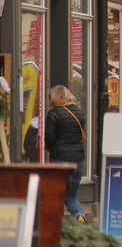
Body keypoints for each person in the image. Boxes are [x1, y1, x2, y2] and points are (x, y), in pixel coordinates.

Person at [45, 86, 87, 221]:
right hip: (77, 160)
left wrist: (51, 148)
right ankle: (80, 217)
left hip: (60, 160)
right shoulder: (79, 112)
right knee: (71, 196)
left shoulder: (53, 113)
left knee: (56, 195)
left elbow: (50, 139)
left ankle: (56, 225)